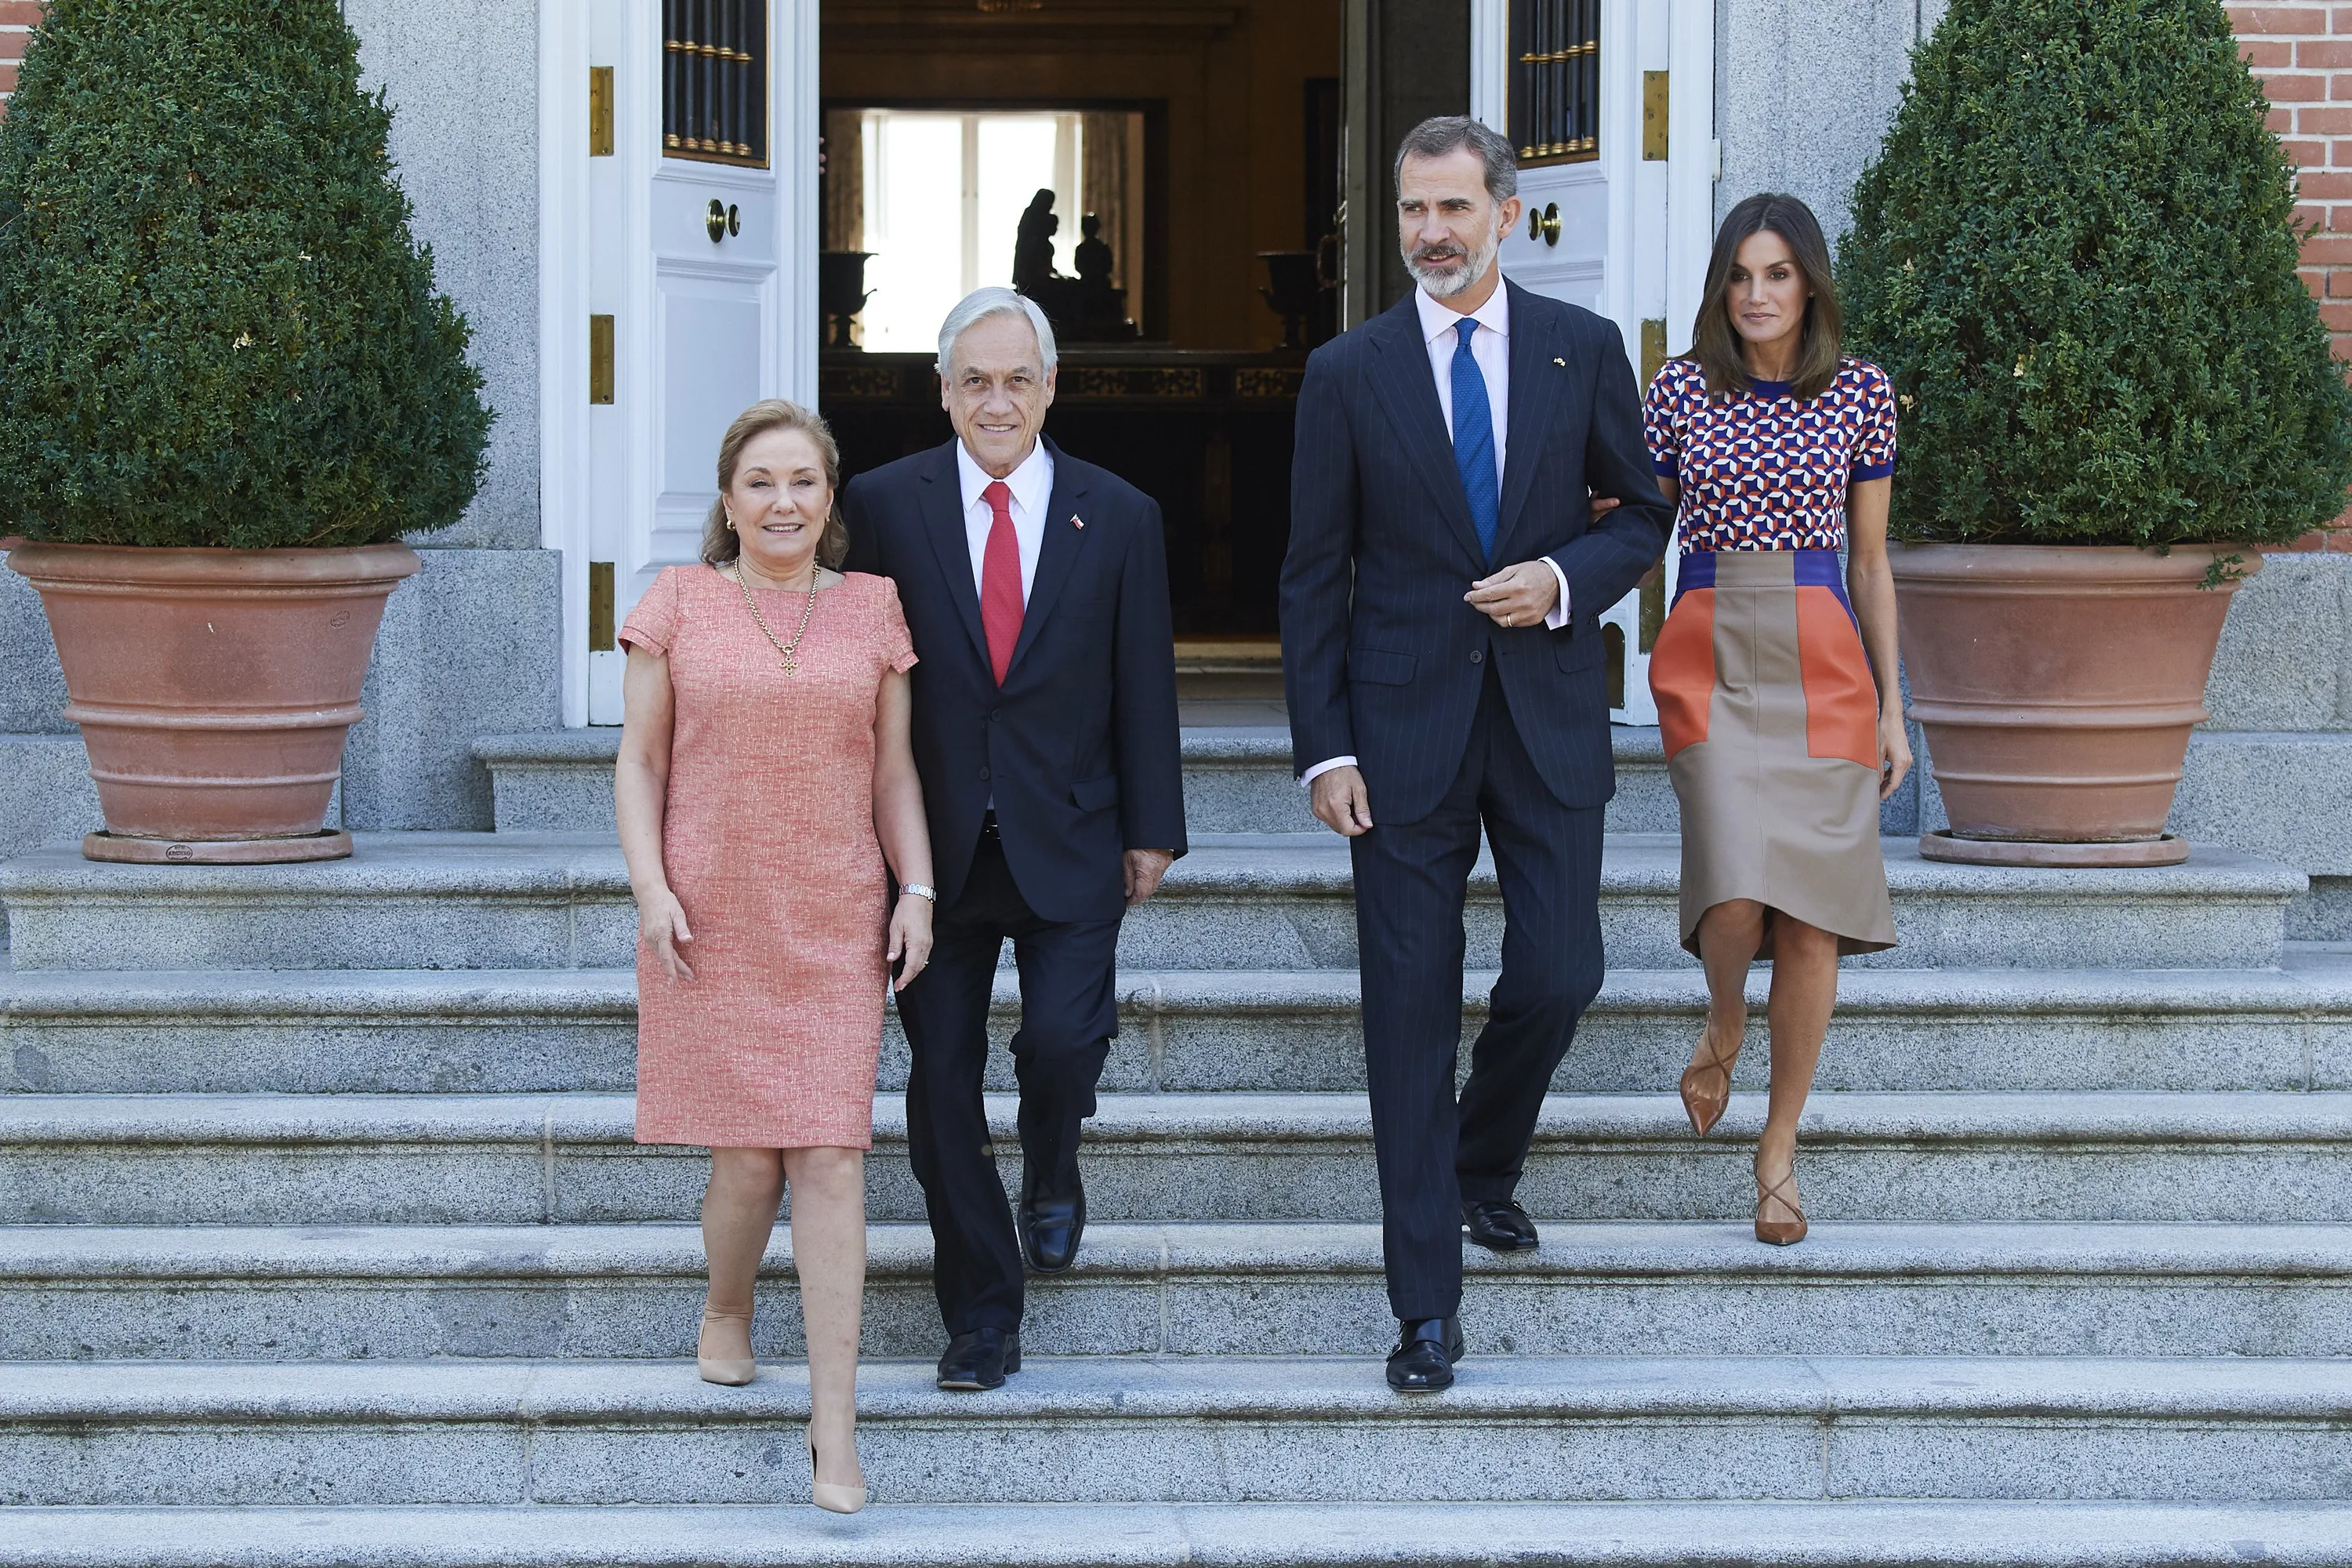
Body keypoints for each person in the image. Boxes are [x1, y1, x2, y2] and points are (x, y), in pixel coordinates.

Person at [1279, 117, 1671, 1394]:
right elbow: (1308, 578)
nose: (1432, 234)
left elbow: (1650, 514)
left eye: (1454, 209)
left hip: (1548, 717)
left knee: (1562, 972)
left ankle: (1480, 1163)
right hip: (1396, 738)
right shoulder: (1349, 371)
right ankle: (1424, 1311)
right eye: (1412, 212)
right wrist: (1323, 749)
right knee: (1405, 1015)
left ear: (1508, 213)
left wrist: (1565, 577)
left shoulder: (1583, 349)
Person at [840, 286, 1185, 1393]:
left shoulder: (1120, 512)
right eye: (975, 380)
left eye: (1018, 379)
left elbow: (1144, 681)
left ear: (1051, 388)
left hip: (1072, 832)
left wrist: (1154, 828)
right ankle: (983, 1316)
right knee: (942, 1081)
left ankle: (1053, 1158)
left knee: (1060, 1044)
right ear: (942, 390)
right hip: (928, 854)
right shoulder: (883, 506)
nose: (998, 400)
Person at [615, 398, 936, 1515]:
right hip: (712, 911)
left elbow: (895, 772)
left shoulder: (875, 609)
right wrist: (652, 889)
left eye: (803, 481)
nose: (783, 501)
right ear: (727, 499)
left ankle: (834, 1427)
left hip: (834, 913)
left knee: (832, 1157)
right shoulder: (679, 604)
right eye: (761, 482)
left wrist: (920, 889)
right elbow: (640, 765)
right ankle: (728, 1303)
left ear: (830, 498)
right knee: (748, 1163)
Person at [1639, 192, 1907, 1245]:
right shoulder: (1675, 391)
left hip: (1825, 655)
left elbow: (1873, 562)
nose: (1757, 295)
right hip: (1708, 647)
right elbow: (1636, 533)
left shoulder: (1862, 395)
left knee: (1811, 923)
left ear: (1810, 285)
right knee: (1739, 896)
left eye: (1778, 275)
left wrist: (1895, 710)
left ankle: (1779, 1148)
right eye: (1741, 275)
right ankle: (1721, 1017)